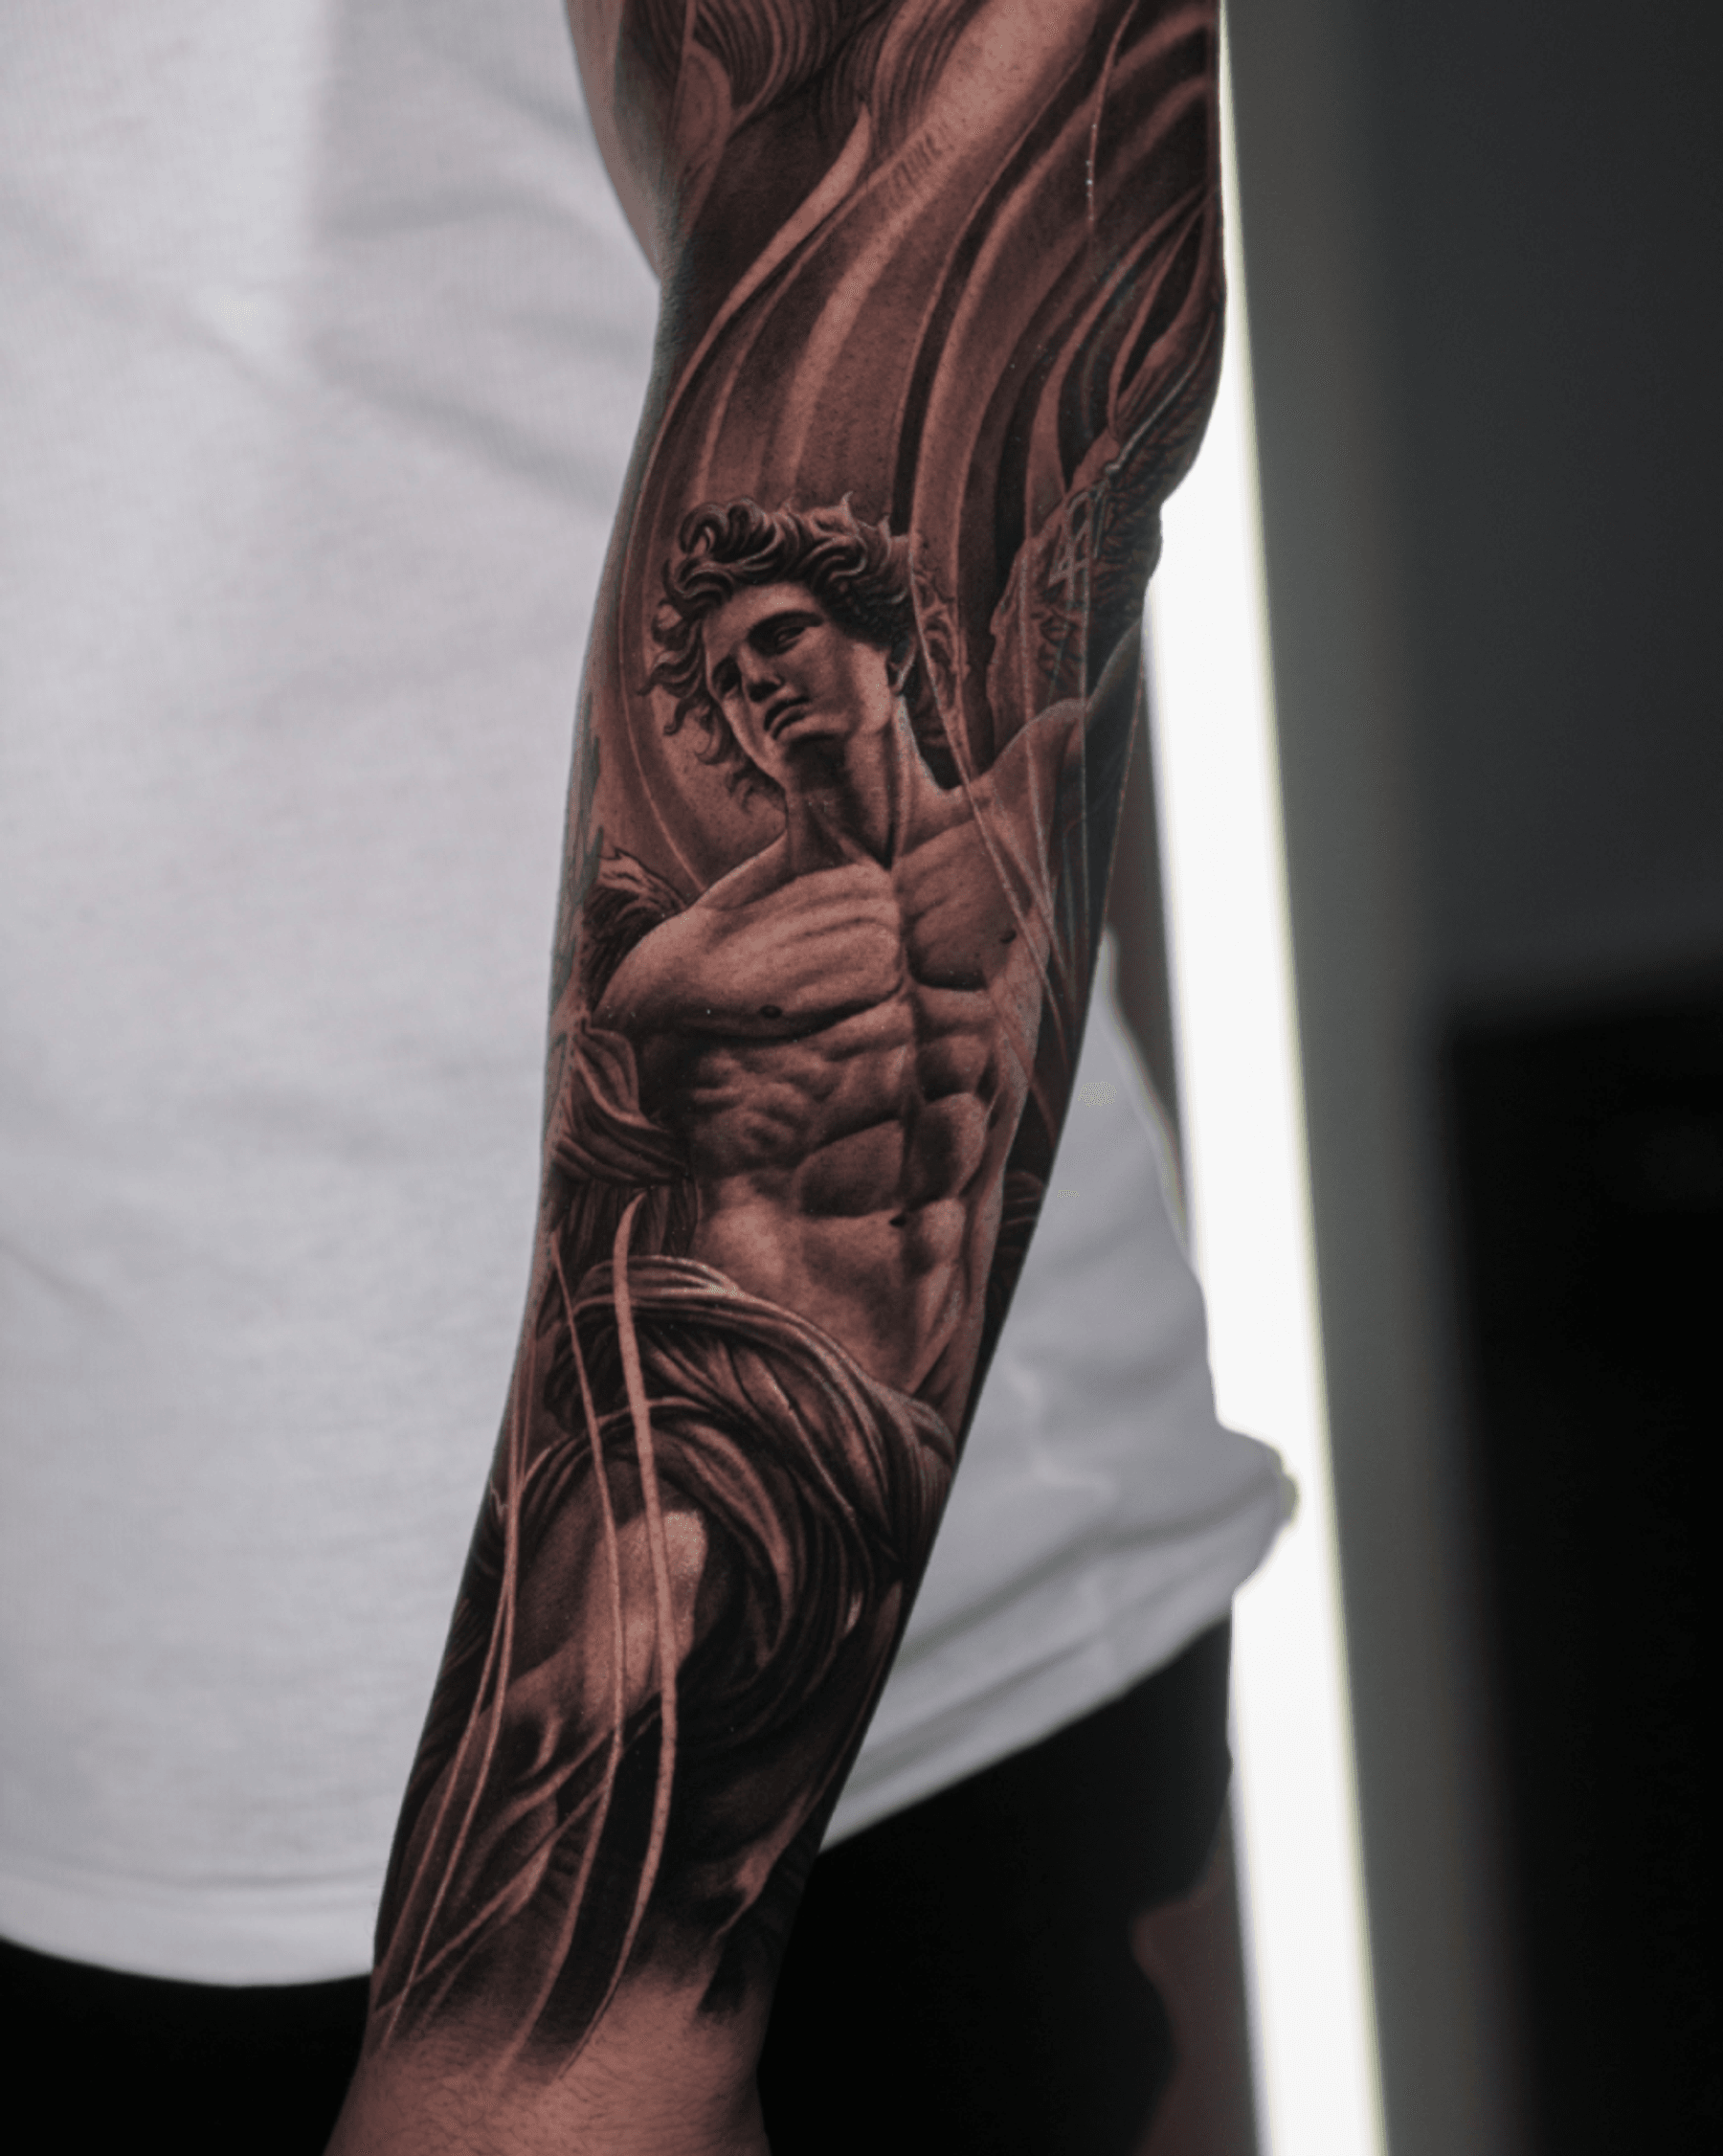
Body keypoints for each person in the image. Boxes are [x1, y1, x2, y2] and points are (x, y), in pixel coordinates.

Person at [1, 3, 1287, 2149]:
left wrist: (565, 2034)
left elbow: (954, 174)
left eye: (799, 653)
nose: (779, 695)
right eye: (749, 668)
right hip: (74, 1728)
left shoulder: (885, 862)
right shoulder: (719, 951)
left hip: (791, 1767)